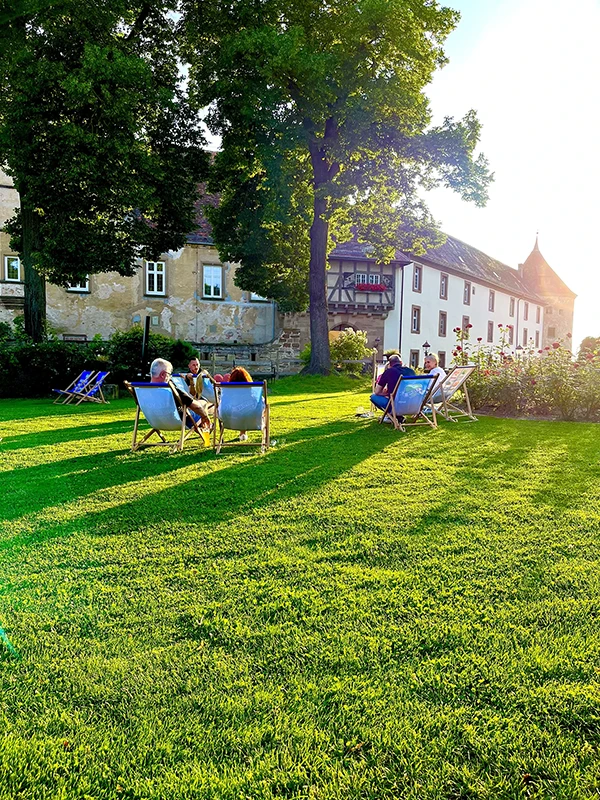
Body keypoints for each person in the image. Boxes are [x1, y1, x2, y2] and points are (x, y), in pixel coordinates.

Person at [150, 357, 211, 437]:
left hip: (154, 421)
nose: (170, 377)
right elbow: (196, 407)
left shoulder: (141, 390)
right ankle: (208, 430)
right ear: (162, 375)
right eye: (169, 374)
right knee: (198, 408)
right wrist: (205, 416)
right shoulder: (171, 390)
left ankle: (205, 431)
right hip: (175, 420)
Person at [370, 354, 416, 421]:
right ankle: (397, 416)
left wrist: (387, 394)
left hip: (396, 406)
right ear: (401, 363)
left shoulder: (389, 372)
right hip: (412, 405)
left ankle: (393, 415)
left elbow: (377, 392)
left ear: (390, 365)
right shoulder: (411, 371)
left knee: (373, 397)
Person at [228, 367, 253, 440]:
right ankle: (243, 433)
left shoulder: (227, 395)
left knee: (240, 410)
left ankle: (242, 433)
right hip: (253, 420)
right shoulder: (253, 396)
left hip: (229, 420)